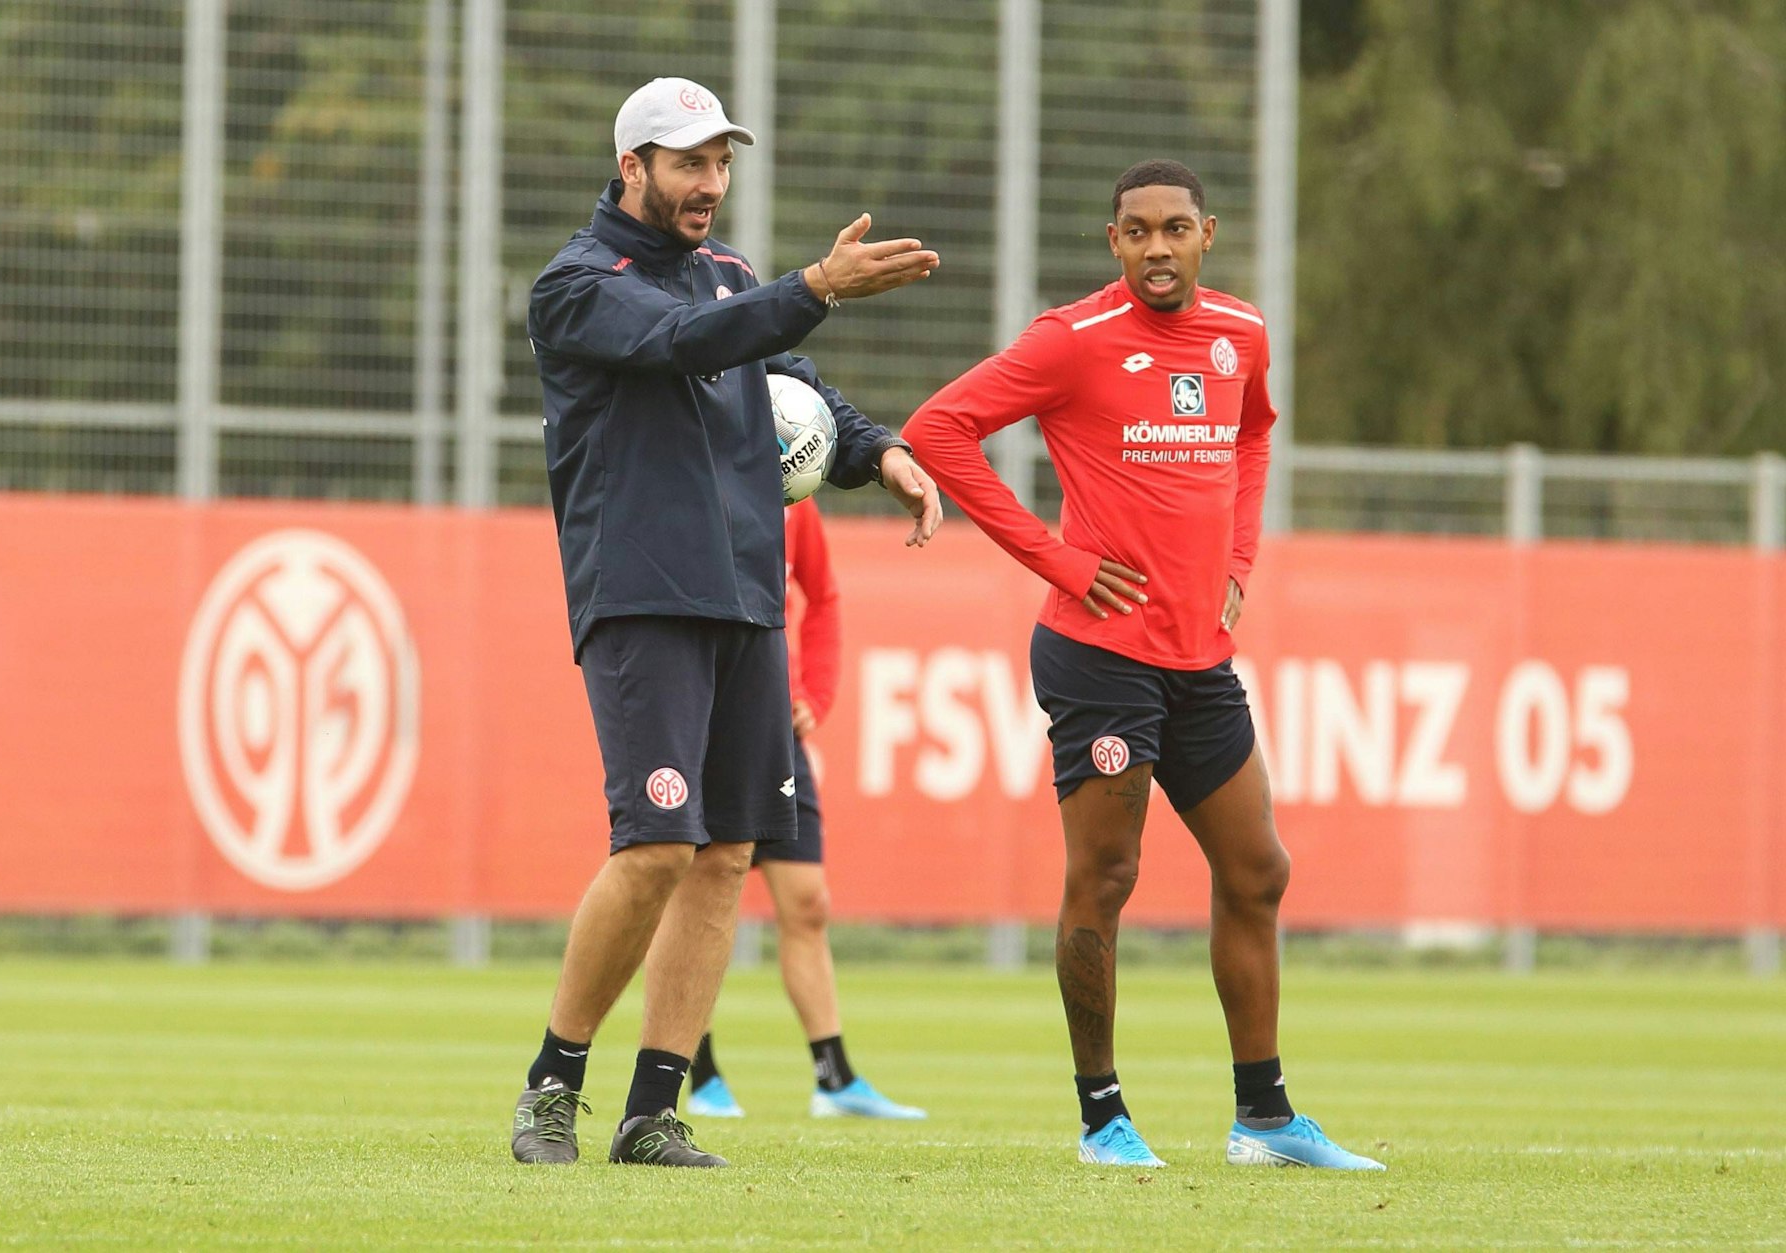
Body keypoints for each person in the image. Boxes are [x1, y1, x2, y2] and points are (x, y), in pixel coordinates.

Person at [902, 159, 1383, 1171]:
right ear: (1111, 242)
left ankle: (1262, 1118)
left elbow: (1251, 437)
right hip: (1095, 656)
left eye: (1173, 229)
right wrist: (1059, 558)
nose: (1155, 248)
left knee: (1258, 871)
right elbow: (936, 429)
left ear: (1206, 233)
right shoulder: (1068, 341)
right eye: (1135, 232)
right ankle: (1101, 1116)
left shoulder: (1239, 334)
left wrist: (1238, 560)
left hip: (1196, 654)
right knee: (1106, 875)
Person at [515, 76, 942, 1169]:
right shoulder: (576, 284)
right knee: (656, 842)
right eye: (687, 162)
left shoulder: (733, 277)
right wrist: (816, 284)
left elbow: (786, 380)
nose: (709, 183)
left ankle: (652, 1110)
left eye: (720, 163)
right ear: (632, 169)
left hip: (749, 599)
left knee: (726, 853)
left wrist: (874, 448)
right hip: (643, 594)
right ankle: (551, 1085)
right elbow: (685, 343)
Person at [682, 497, 926, 1123]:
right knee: (701, 892)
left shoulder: (796, 487)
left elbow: (823, 595)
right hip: (703, 717)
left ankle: (833, 1077)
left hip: (775, 727)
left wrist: (814, 691)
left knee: (809, 902)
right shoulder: (689, 474)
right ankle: (698, 1074)